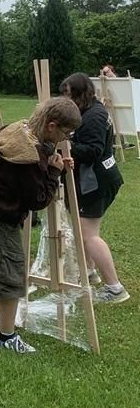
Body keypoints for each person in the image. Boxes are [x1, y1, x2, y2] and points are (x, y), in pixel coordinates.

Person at [0, 97, 81, 354]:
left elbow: (35, 166)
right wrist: (54, 172)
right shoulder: (28, 157)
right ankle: (6, 337)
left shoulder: (21, 129)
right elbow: (37, 199)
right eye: (66, 132)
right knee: (10, 273)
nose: (66, 138)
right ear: (52, 125)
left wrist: (52, 162)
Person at [60, 72, 129, 303]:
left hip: (97, 182)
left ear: (81, 93)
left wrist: (65, 144)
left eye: (69, 94)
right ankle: (89, 272)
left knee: (89, 235)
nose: (66, 99)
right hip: (94, 180)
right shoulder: (88, 111)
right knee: (82, 230)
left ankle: (115, 288)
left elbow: (93, 151)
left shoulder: (94, 116)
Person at [99, 64, 133, 149]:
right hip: (106, 104)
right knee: (111, 124)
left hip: (117, 105)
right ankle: (113, 143)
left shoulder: (116, 79)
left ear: (112, 71)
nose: (107, 73)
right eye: (105, 72)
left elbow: (121, 86)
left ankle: (124, 143)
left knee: (120, 124)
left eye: (108, 71)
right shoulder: (102, 80)